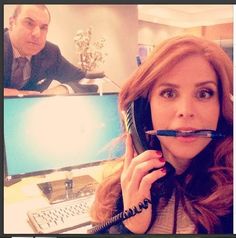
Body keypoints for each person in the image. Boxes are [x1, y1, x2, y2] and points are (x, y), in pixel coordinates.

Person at [89, 35, 233, 234]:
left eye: (204, 93)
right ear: (142, 109)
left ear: (222, 106)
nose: (186, 110)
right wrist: (129, 227)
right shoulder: (121, 186)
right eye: (169, 93)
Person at [4, 4, 98, 96]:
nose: (37, 34)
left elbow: (87, 81)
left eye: (43, 27)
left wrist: (62, 90)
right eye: (29, 23)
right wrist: (16, 94)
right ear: (12, 23)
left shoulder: (51, 53)